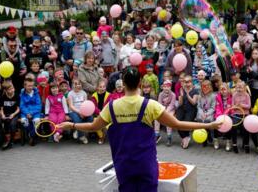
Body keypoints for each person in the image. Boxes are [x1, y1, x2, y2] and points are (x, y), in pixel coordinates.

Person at [57, 67, 222, 191]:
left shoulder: (112, 106)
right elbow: (177, 124)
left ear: (122, 82)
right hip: (146, 164)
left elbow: (93, 127)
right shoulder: (150, 105)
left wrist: (71, 125)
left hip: (123, 164)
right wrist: (208, 125)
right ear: (140, 83)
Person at [177, 75, 199, 149]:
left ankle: (185, 137)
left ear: (191, 82)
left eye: (188, 82)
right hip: (182, 108)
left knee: (186, 123)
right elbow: (180, 103)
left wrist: (187, 94)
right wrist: (181, 95)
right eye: (185, 82)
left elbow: (193, 102)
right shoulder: (181, 89)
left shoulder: (195, 90)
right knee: (177, 122)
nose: (186, 84)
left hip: (191, 109)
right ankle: (185, 137)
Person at [20, 77, 43, 146]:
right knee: (23, 121)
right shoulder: (22, 94)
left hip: (35, 112)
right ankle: (31, 135)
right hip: (25, 113)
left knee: (37, 121)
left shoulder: (36, 94)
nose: (30, 87)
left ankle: (31, 135)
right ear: (25, 86)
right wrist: (27, 113)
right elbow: (22, 106)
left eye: (32, 86)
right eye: (29, 86)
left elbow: (38, 105)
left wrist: (32, 113)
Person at [0, 82, 19, 150]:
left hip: (14, 114)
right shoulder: (3, 97)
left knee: (12, 124)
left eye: (12, 88)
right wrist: (3, 115)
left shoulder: (17, 96)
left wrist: (13, 114)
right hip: (5, 113)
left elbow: (18, 109)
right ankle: (4, 138)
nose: (11, 90)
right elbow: (1, 108)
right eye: (9, 89)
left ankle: (11, 141)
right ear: (5, 90)